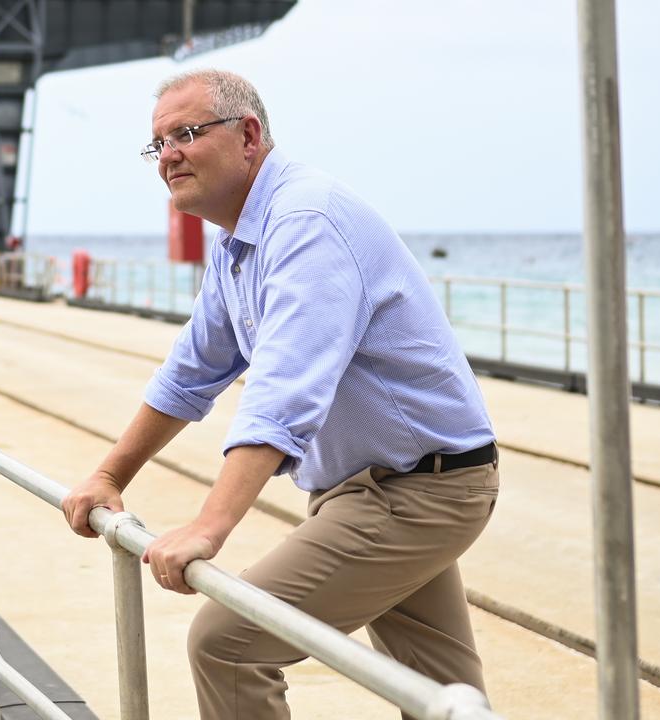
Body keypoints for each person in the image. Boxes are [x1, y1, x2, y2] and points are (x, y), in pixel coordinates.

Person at [61, 69, 500, 720]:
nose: (170, 154)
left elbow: (285, 387)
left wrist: (211, 526)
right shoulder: (239, 241)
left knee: (227, 643)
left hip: (418, 491)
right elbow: (191, 370)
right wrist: (108, 474)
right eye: (159, 144)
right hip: (370, 487)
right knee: (443, 695)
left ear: (249, 136)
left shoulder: (306, 220)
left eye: (186, 133)